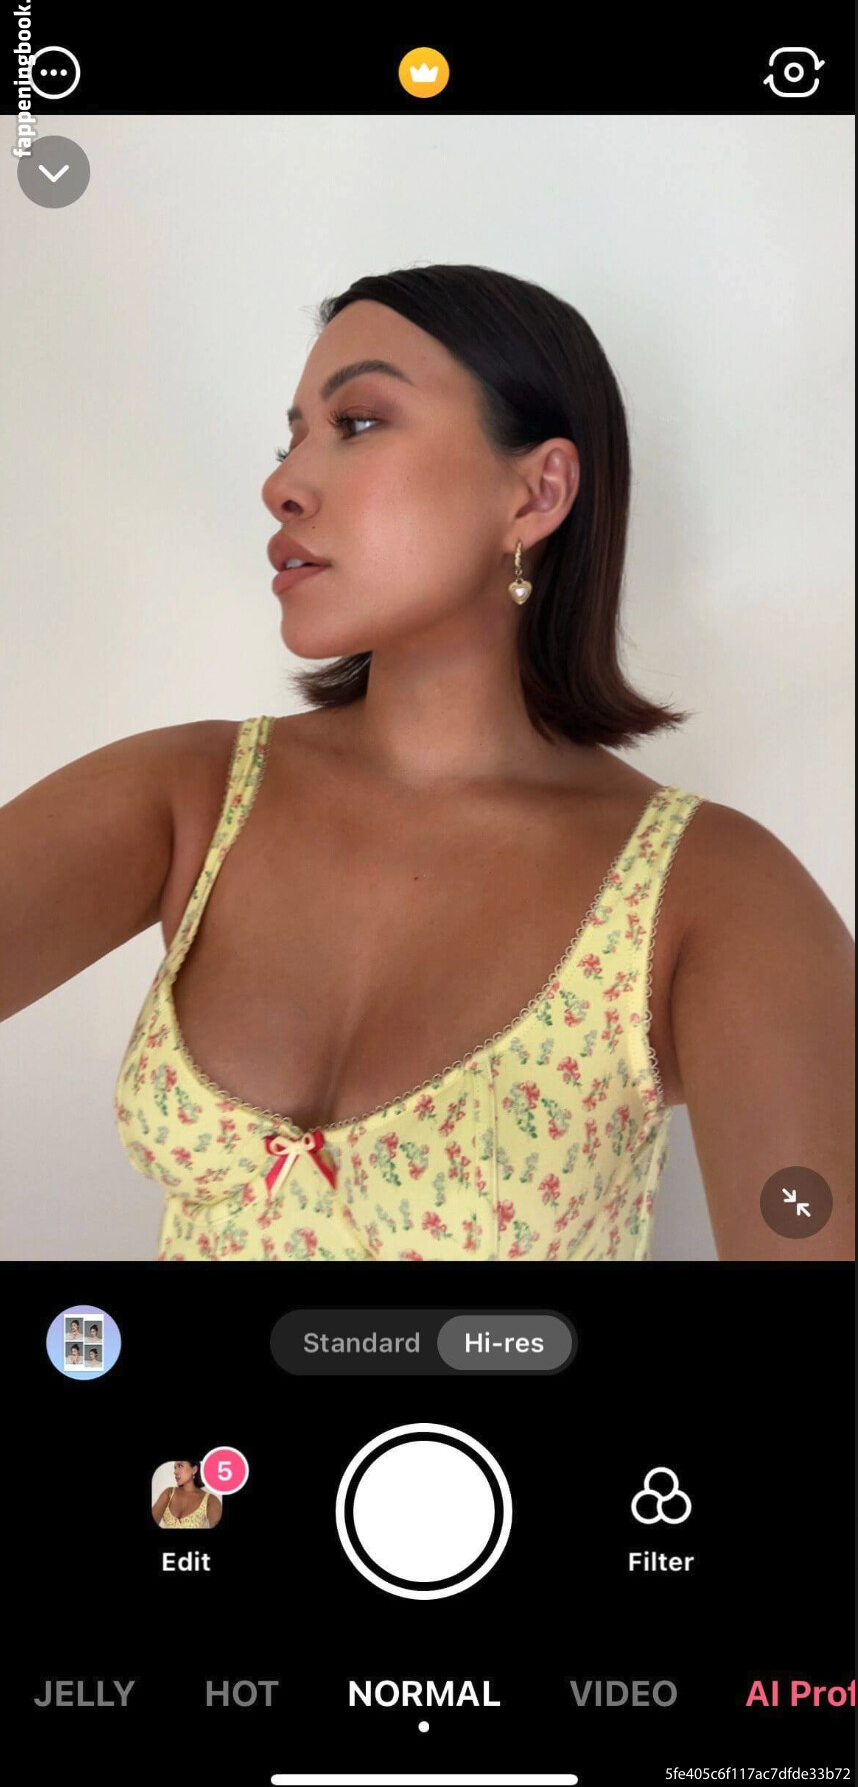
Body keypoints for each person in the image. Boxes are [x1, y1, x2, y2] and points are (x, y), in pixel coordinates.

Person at [0, 264, 853, 1264]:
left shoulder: (714, 894)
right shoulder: (190, 798)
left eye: (357, 422)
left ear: (537, 493)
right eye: (291, 439)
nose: (282, 485)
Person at [152, 1460, 222, 1528]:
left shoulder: (210, 1500)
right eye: (175, 1467)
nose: (175, 1472)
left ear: (194, 1470)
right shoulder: (169, 1493)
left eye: (180, 1466)